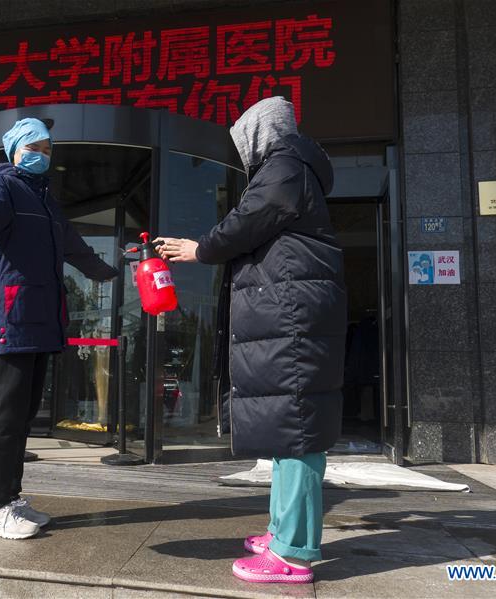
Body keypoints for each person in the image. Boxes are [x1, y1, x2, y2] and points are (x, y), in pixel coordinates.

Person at [156, 97, 346, 585]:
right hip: (292, 317)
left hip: (294, 319)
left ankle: (292, 555)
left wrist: (203, 249)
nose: (243, 152)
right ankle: (284, 533)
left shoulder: (285, 167)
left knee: (297, 433)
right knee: (289, 429)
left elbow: (250, 217)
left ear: (261, 133)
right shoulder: (295, 167)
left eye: (244, 140)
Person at [0, 118, 117, 540]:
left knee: (23, 416)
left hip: (41, 319)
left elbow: (75, 247)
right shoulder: (5, 187)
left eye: (48, 148)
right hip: (16, 316)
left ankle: (12, 498)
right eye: (34, 146)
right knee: (6, 416)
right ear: (15, 150)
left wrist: (112, 269)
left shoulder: (45, 201)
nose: (43, 154)